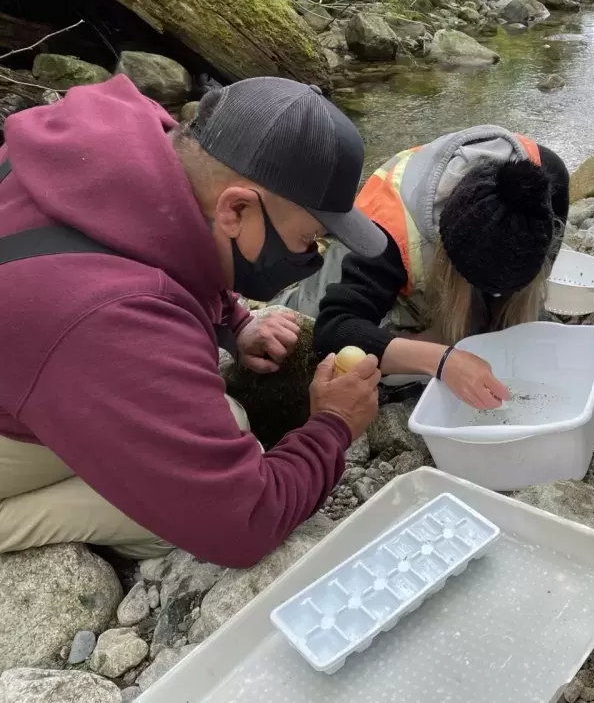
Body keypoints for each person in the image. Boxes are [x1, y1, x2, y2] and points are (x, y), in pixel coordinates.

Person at [0, 74, 387, 567]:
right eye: (309, 238)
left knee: (227, 422)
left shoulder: (130, 137)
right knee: (166, 520)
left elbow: (165, 234)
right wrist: (334, 425)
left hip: (29, 355)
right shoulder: (113, 319)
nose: (312, 255)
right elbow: (245, 523)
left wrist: (235, 319)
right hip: (51, 362)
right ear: (237, 209)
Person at [313, 126, 569, 410]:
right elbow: (333, 330)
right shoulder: (387, 238)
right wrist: (442, 360)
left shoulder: (546, 181)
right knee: (310, 309)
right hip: (371, 232)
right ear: (446, 259)